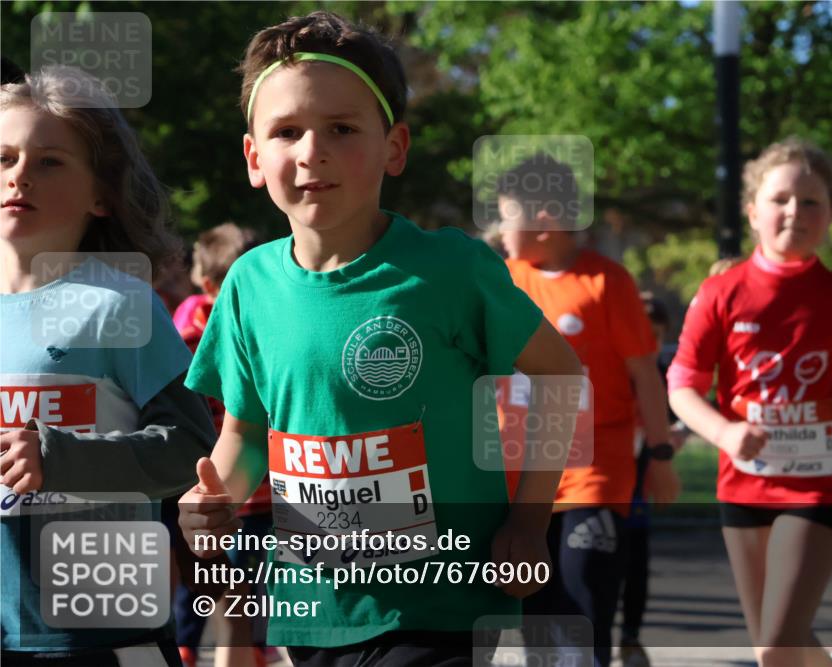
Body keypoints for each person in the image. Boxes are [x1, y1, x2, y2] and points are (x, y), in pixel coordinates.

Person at [176, 11, 582, 666]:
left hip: (438, 602)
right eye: (287, 132)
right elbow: (247, 435)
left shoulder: (450, 269)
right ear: (255, 157)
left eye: (341, 128)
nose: (313, 151)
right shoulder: (249, 284)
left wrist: (529, 522)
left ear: (394, 146)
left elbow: (562, 374)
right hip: (310, 608)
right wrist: (213, 496)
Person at [0, 65, 215, 665]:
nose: (19, 176)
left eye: (49, 161)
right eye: (4, 157)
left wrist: (59, 456)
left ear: (101, 193)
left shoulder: (118, 301)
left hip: (111, 638)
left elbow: (189, 447)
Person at [667, 137, 832, 667]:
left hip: (817, 487)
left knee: (776, 647)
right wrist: (724, 432)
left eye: (811, 201)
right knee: (779, 648)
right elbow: (682, 384)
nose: (794, 211)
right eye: (779, 200)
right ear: (753, 212)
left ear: (831, 215)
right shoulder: (720, 295)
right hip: (743, 484)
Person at [498, 153, 682, 667]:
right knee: (533, 621)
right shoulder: (498, 279)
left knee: (582, 609)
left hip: (592, 475)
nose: (497, 227)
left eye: (507, 214)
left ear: (547, 220)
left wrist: (662, 453)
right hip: (516, 481)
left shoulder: (607, 283)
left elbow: (645, 374)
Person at [169, 223, 272, 667]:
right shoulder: (191, 341)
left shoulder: (187, 324)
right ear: (211, 286)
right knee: (237, 608)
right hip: (223, 501)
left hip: (264, 498)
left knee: (242, 608)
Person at [619, 293, 687, 667]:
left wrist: (671, 436)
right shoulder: (609, 368)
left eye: (656, 333)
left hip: (639, 478)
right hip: (600, 476)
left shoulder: (661, 372)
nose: (649, 340)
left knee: (636, 558)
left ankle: (630, 637)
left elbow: (682, 410)